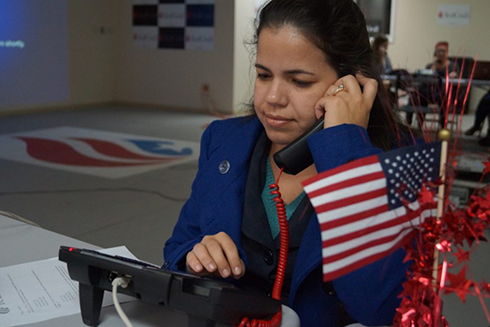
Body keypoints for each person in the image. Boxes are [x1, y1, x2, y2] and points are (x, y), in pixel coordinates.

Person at [164, 0, 411, 326]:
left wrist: (345, 149)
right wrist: (194, 257)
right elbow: (176, 250)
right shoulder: (224, 142)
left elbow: (379, 308)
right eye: (264, 75)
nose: (272, 98)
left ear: (350, 85)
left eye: (299, 81)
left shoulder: (400, 164)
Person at [408, 41, 459, 127]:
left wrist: (452, 75)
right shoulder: (430, 65)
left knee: (444, 101)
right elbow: (424, 79)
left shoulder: (452, 66)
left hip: (443, 93)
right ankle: (418, 124)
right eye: (438, 51)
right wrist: (433, 68)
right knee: (419, 96)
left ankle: (443, 126)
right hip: (428, 92)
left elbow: (455, 79)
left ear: (446, 52)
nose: (440, 53)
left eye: (442, 51)